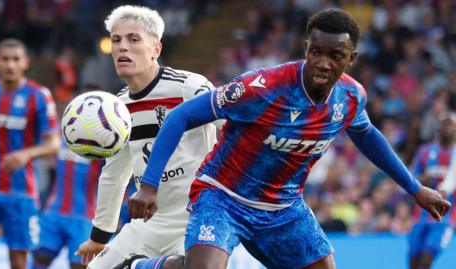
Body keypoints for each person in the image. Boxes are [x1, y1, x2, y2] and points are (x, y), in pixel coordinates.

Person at [118, 8, 451, 269]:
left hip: (284, 208)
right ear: (306, 47)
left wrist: (414, 188)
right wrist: (149, 184)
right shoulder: (262, 88)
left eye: (335, 56)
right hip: (222, 198)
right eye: (316, 52)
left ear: (351, 59)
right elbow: (182, 115)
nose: (322, 63)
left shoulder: (351, 97)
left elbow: (366, 135)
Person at [74, 5, 218, 268]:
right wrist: (99, 237)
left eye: (133, 39)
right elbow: (114, 174)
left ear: (156, 49)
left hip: (195, 220)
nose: (122, 47)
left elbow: (231, 132)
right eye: (116, 40)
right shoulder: (116, 108)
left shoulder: (190, 87)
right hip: (148, 225)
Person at [0, 38, 59, 269]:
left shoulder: (38, 95)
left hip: (21, 193)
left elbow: (53, 144)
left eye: (15, 59)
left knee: (19, 262)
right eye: (5, 59)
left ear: (26, 63)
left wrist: (26, 154)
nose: (10, 65)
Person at [32, 139, 104, 269]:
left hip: (84, 217)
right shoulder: (63, 136)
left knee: (79, 264)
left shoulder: (104, 144)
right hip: (54, 211)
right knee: (40, 257)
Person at [408, 113, 456, 269]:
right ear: (438, 127)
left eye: (451, 124)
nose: (447, 127)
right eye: (445, 123)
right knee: (413, 261)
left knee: (426, 261)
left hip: (446, 218)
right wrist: (423, 180)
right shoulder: (425, 151)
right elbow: (410, 179)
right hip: (420, 216)